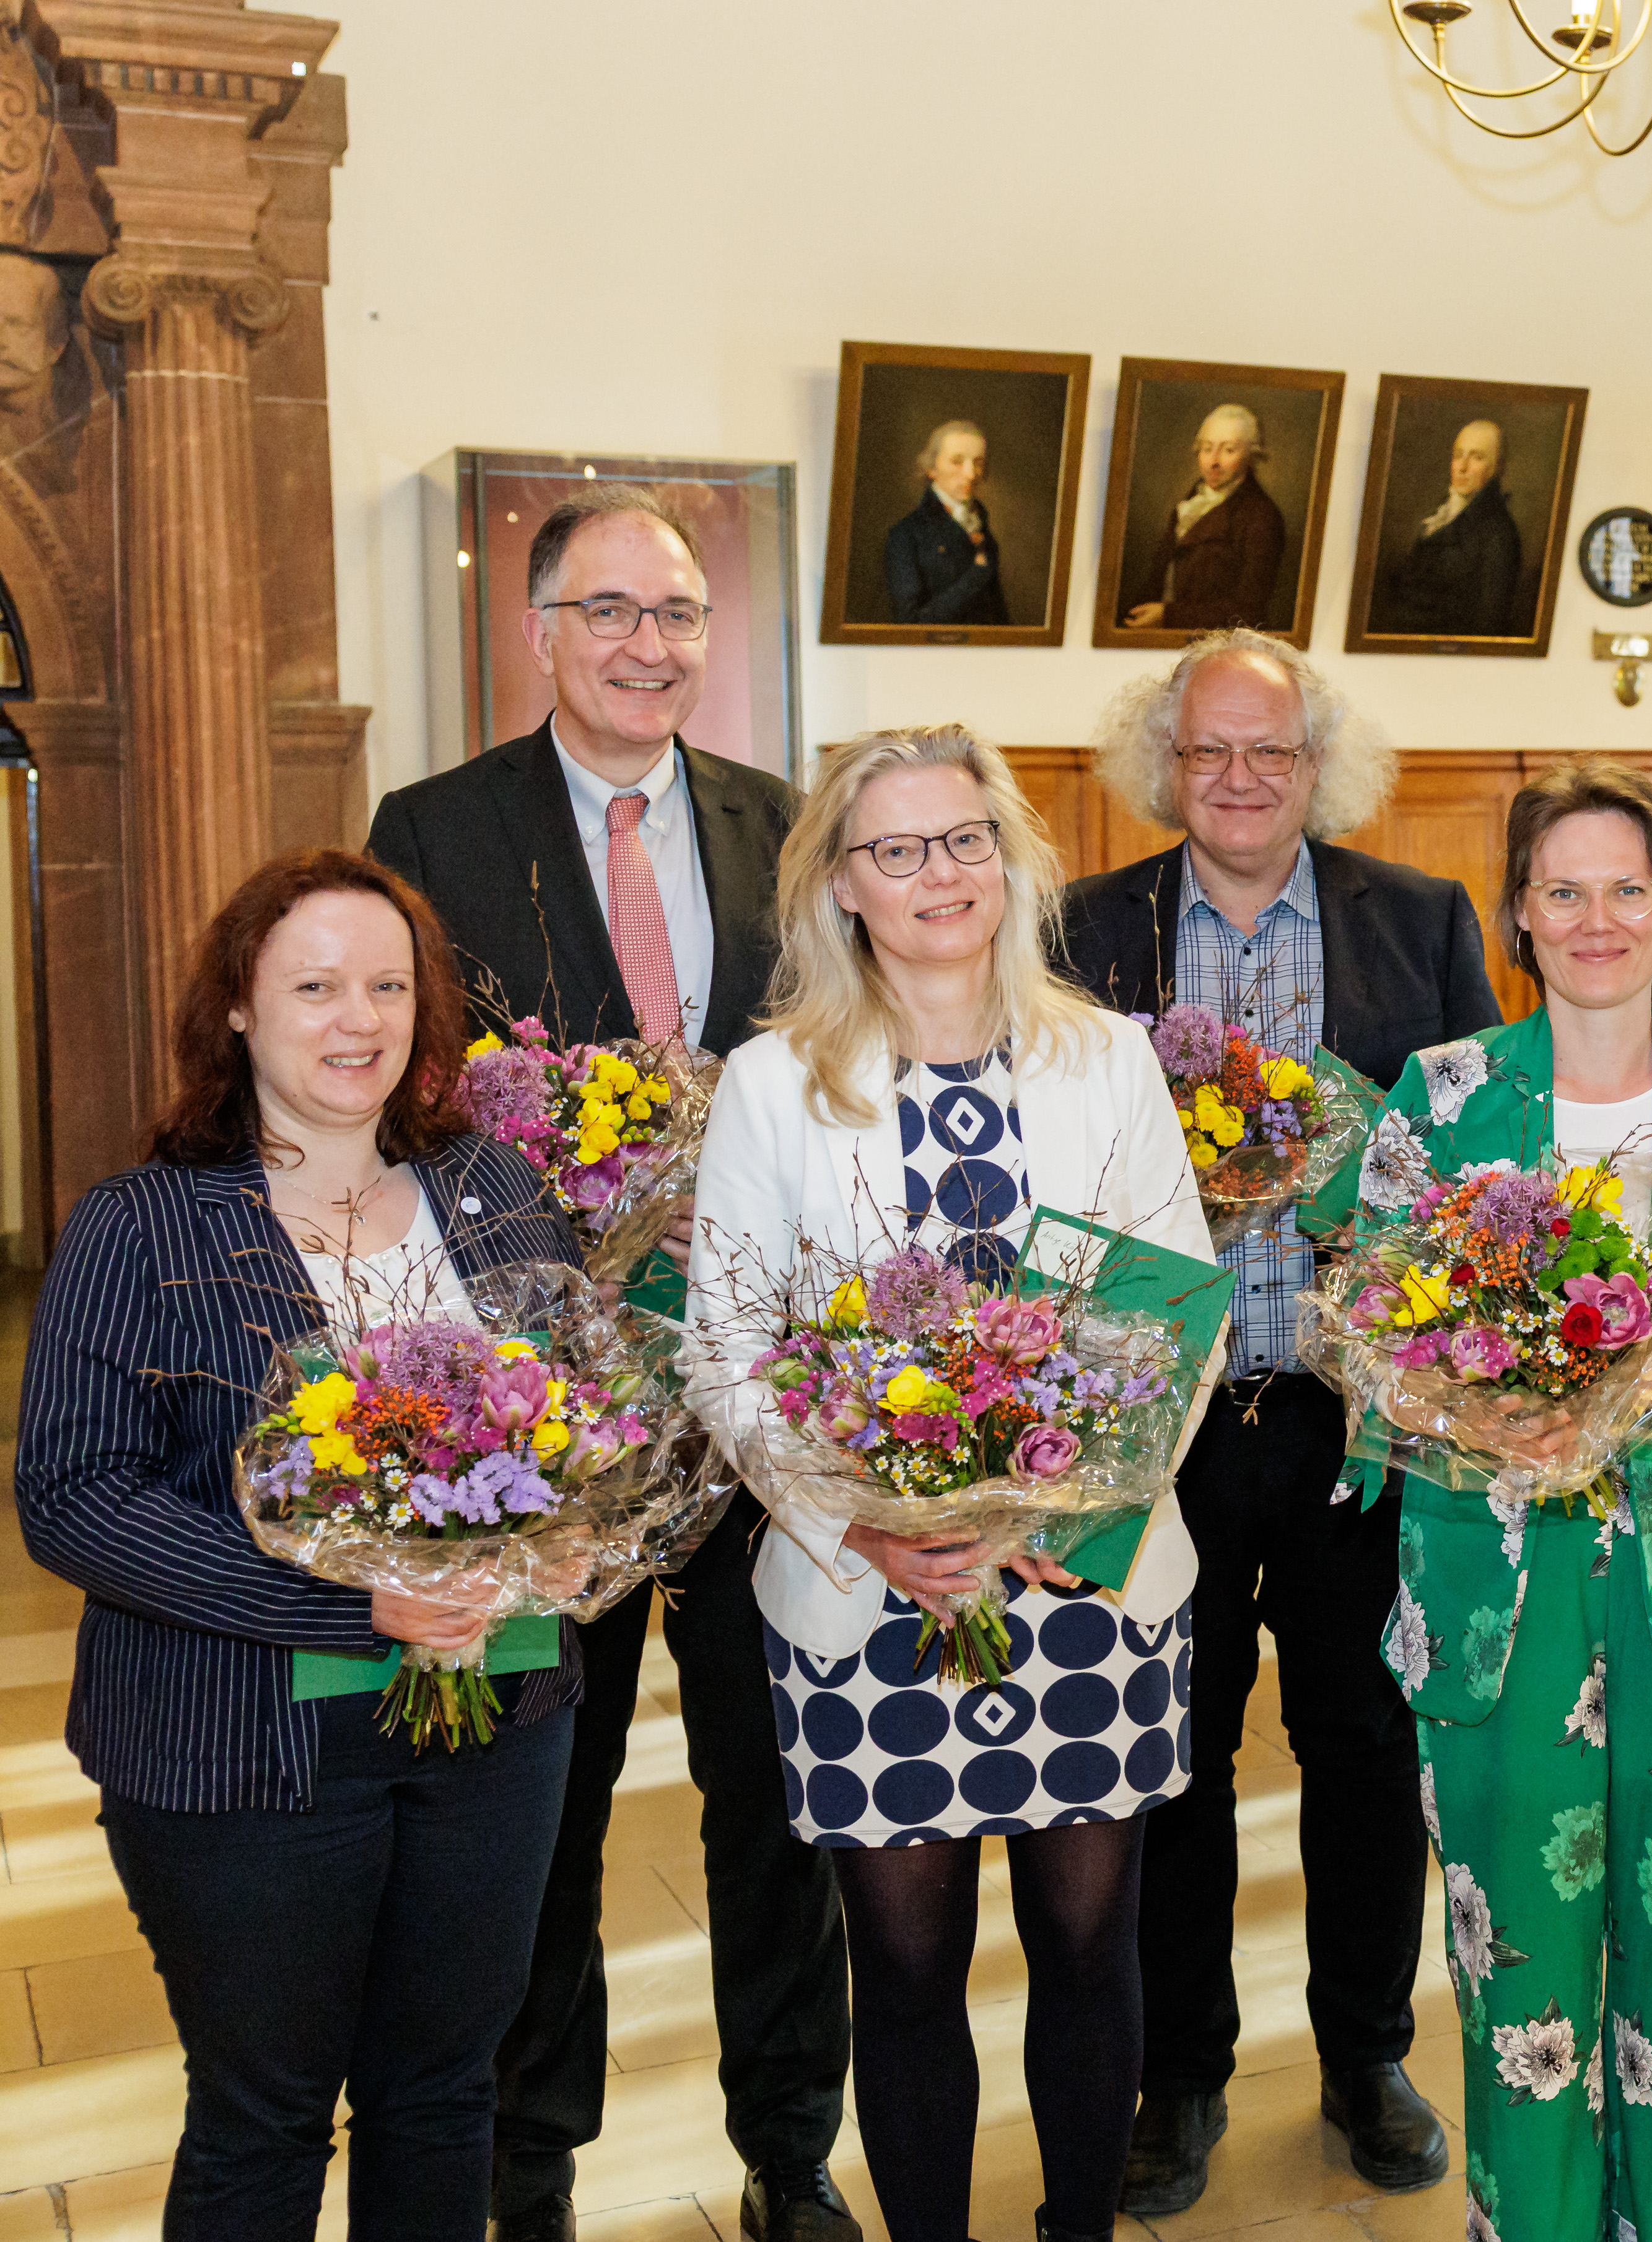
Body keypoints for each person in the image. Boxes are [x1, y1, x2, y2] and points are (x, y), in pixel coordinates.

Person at [364, 486, 847, 2242]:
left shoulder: (782, 825)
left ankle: (789, 2150)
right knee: (540, 1808)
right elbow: (402, 1086)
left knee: (773, 1794)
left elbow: (834, 1070)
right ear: (541, 631)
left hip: (756, 1398)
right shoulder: (437, 826)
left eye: (678, 614)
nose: (651, 645)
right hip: (541, 1416)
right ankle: (530, 2166)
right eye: (612, 612)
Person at [1301, 758, 1652, 2241]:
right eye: (1563, 890)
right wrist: (1473, 1401)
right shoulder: (1443, 1097)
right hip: (1500, 1599)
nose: (1597, 917)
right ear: (1520, 916)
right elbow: (1367, 1338)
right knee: (1522, 1993)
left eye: (1626, 888)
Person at [686, 725, 1217, 2242]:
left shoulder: (1105, 1057)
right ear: (841, 884)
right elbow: (726, 1348)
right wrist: (866, 1522)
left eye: (967, 838)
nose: (941, 873)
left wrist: (1064, 1501)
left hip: (1087, 1574)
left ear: (1012, 858)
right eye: (899, 848)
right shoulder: (773, 1085)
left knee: (1089, 1943)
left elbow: (1172, 1309)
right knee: (908, 1966)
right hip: (872, 1598)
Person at [15, 850, 585, 2238]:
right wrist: (354, 1607)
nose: (359, 1019)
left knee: (443, 2095)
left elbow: (583, 1422)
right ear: (237, 1007)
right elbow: (73, 1495)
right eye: (316, 986)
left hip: (497, 1720)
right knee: (265, 2117)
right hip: (242, 1745)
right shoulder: (142, 1225)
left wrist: (576, 1536)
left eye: (389, 985)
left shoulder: (494, 1188)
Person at [1055, 629, 1498, 2214]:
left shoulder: (1420, 921)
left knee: (1364, 1746)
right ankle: (1177, 2074)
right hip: (1155, 1417)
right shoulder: (1084, 929)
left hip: (1351, 1420)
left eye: (1272, 750)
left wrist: (1366, 1202)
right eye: (1209, 750)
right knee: (1164, 1753)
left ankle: (1367, 2053)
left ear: (1320, 765)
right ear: (1163, 764)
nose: (1239, 778)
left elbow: (1477, 1165)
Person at [1121, 403, 1288, 632]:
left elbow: (1249, 612)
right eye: (1207, 449)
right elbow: (1158, 579)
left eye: (1229, 450)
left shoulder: (1261, 516)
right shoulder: (1190, 503)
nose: (1214, 462)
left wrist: (1168, 615)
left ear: (1250, 457)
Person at [1373, 416, 1523, 637]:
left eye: (1477, 457)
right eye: (1458, 456)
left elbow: (1488, 624)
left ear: (1497, 468)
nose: (1462, 467)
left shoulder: (1499, 535)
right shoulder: (1443, 513)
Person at [882, 419, 1009, 628]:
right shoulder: (905, 535)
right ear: (931, 468)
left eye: (978, 463)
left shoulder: (982, 530)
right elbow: (910, 625)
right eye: (957, 462)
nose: (971, 474)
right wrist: (976, 576)